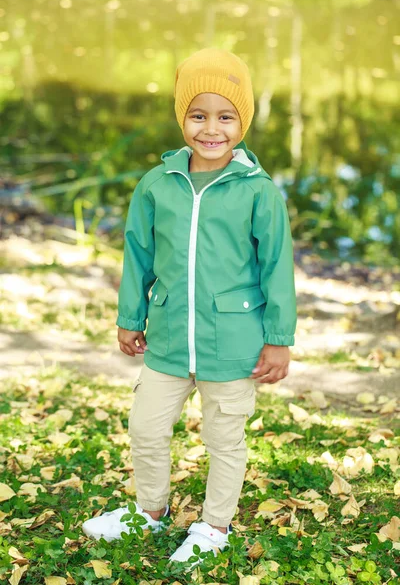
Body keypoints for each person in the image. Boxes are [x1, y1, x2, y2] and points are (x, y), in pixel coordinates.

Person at [82, 48, 297, 563]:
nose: (211, 129)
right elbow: (137, 255)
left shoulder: (258, 192)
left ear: (242, 121)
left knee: (225, 438)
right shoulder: (158, 185)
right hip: (170, 338)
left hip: (234, 342)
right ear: (182, 117)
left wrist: (279, 338)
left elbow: (277, 268)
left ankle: (214, 526)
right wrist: (130, 318)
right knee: (146, 427)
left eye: (225, 117)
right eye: (198, 115)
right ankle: (149, 512)